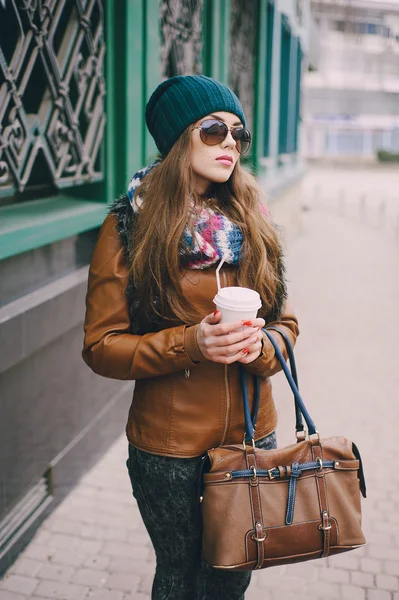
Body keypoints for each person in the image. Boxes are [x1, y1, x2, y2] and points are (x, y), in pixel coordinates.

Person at [82, 75, 299, 600]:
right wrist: (190, 344)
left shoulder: (255, 221)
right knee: (179, 575)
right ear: (180, 139)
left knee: (234, 571)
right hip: (168, 445)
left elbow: (286, 325)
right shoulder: (130, 226)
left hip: (251, 434)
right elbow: (101, 346)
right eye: (212, 130)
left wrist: (263, 347)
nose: (229, 143)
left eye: (237, 134)